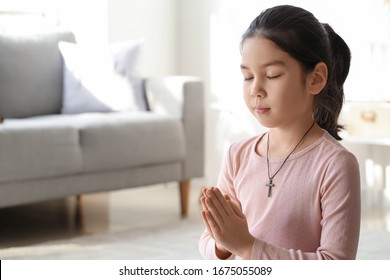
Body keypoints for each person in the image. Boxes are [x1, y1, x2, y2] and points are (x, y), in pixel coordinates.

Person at [199, 5, 361, 260]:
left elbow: (336, 263)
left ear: (316, 78)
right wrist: (222, 242)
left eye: (272, 75)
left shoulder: (336, 165)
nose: (256, 90)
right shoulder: (237, 155)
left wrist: (247, 246)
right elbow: (209, 242)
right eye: (248, 76)